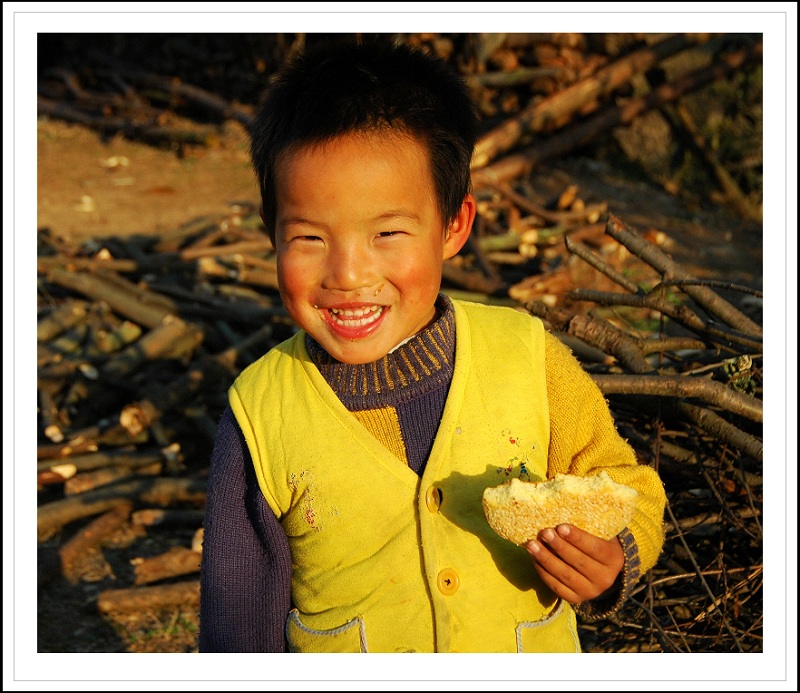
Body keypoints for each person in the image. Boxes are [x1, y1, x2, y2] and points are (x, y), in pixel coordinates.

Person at [198, 36, 666, 653]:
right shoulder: (261, 414)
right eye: (309, 238)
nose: (349, 274)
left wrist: (613, 554)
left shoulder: (526, 358)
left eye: (388, 232)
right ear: (272, 232)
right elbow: (240, 617)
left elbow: (625, 482)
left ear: (454, 225)